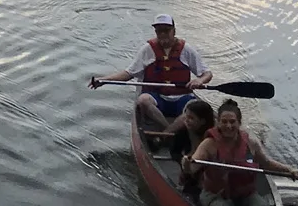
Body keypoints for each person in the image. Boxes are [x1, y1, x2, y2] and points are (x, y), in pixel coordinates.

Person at [89, 14, 213, 143]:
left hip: (182, 98)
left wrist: (200, 80)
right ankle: (172, 131)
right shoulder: (147, 50)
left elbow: (207, 74)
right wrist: (103, 80)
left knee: (195, 109)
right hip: (157, 99)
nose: (163, 34)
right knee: (143, 100)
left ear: (174, 31)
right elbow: (128, 74)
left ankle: (165, 135)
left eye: (166, 30)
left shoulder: (186, 50)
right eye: (159, 31)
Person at [188, 99, 298, 206]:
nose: (228, 126)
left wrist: (289, 170)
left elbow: (267, 163)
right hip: (216, 194)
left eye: (232, 122)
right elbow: (193, 165)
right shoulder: (209, 144)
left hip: (244, 194)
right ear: (218, 123)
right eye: (224, 121)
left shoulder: (250, 143)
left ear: (239, 123)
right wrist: (187, 164)